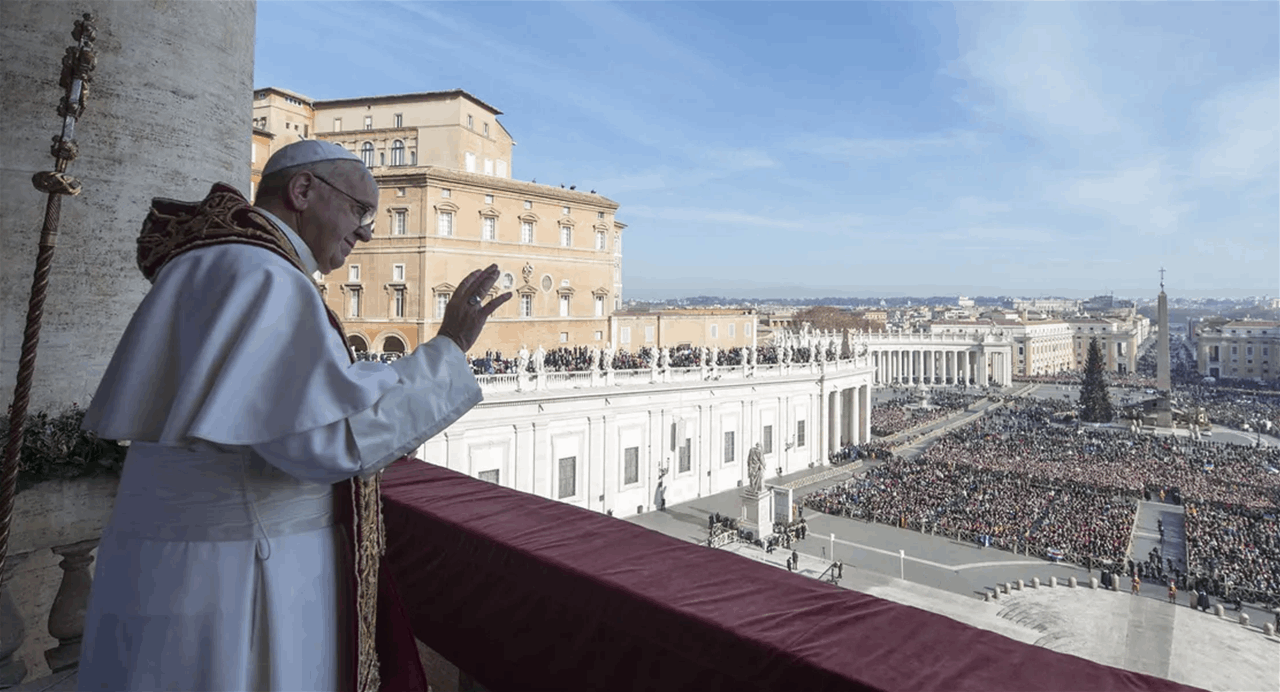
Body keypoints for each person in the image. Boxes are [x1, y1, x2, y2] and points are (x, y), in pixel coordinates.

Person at [75, 141, 512, 692]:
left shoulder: (222, 263)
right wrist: (448, 350)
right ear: (303, 191)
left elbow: (307, 395)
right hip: (240, 579)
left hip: (183, 565)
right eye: (360, 209)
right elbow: (323, 441)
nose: (367, 232)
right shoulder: (266, 277)